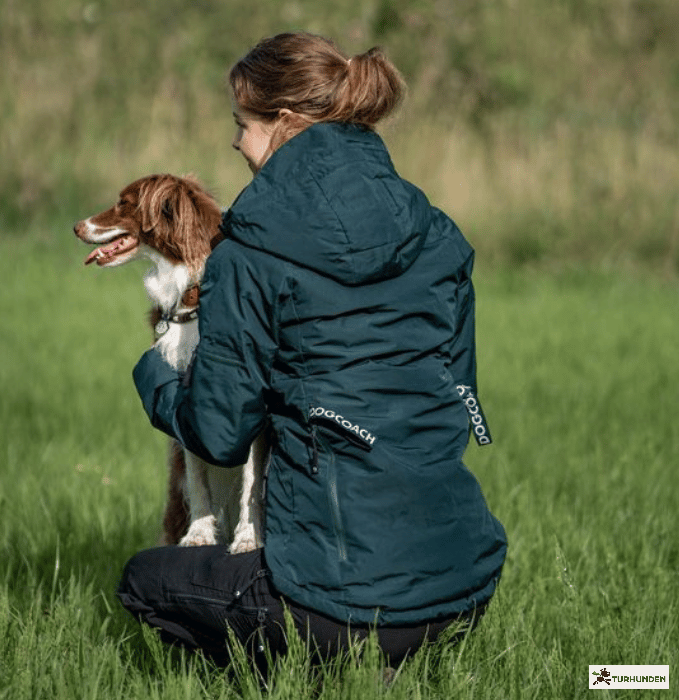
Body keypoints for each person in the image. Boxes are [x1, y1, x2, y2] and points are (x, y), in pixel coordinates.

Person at [117, 32, 507, 668]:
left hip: (335, 605)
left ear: (285, 123)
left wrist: (158, 368)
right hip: (464, 590)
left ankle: (305, 673)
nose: (235, 144)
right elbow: (458, 393)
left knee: (146, 581)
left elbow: (217, 435)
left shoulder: (247, 254)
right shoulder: (438, 235)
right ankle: (622, 679)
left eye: (241, 125)